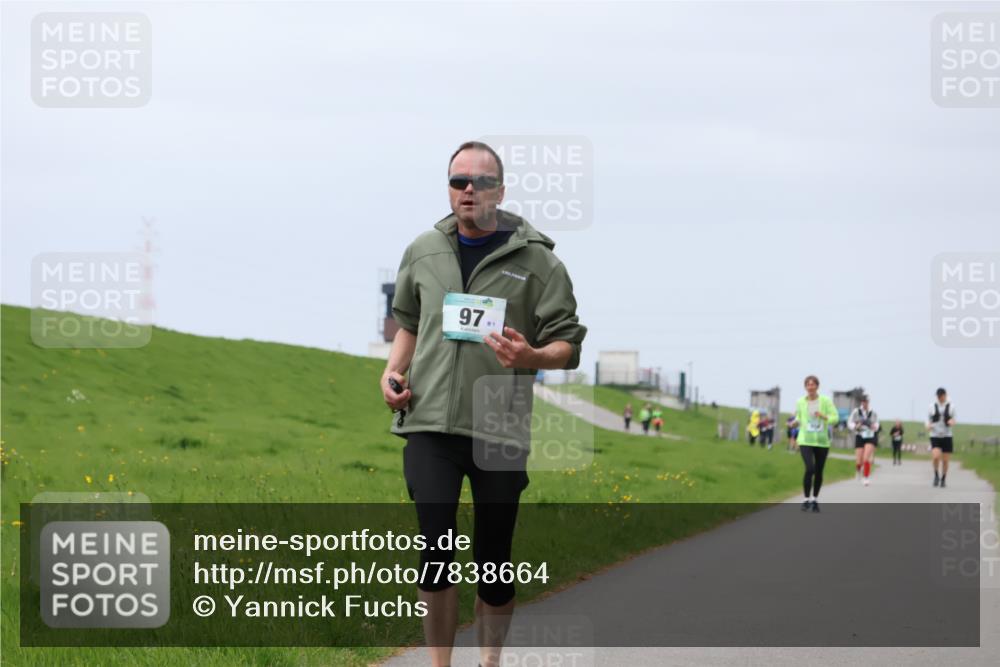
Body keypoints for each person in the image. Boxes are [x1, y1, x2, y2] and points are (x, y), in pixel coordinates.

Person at [381, 141, 587, 667]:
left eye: (479, 181)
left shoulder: (538, 261)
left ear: (501, 189)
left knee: (493, 561)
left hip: (499, 425)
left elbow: (568, 344)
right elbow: (408, 320)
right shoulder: (423, 250)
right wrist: (392, 371)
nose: (467, 190)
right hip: (428, 422)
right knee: (435, 555)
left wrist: (532, 354)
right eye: (457, 181)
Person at [790, 375, 840, 512]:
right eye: (808, 385)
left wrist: (823, 416)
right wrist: (794, 422)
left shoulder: (825, 401)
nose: (810, 387)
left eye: (813, 384)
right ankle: (806, 499)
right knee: (810, 468)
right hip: (805, 440)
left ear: (817, 386)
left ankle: (815, 500)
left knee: (819, 471)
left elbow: (835, 418)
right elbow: (800, 417)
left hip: (822, 441)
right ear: (805, 387)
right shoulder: (800, 402)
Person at [927, 387, 956, 488]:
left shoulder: (951, 406)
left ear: (945, 395)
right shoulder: (932, 406)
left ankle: (943, 478)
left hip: (947, 435)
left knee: (945, 460)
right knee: (935, 456)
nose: (939, 398)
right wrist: (928, 426)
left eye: (941, 396)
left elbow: (954, 419)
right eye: (938, 396)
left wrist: (951, 422)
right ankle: (936, 475)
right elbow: (927, 420)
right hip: (935, 435)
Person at [848, 395, 880, 486]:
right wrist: (855, 426)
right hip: (860, 435)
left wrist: (874, 427)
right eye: (863, 401)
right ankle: (858, 470)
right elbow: (849, 422)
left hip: (870, 436)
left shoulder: (873, 412)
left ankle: (866, 477)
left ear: (868, 402)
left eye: (866, 401)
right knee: (859, 460)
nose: (864, 403)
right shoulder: (856, 411)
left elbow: (877, 423)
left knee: (866, 458)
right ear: (861, 402)